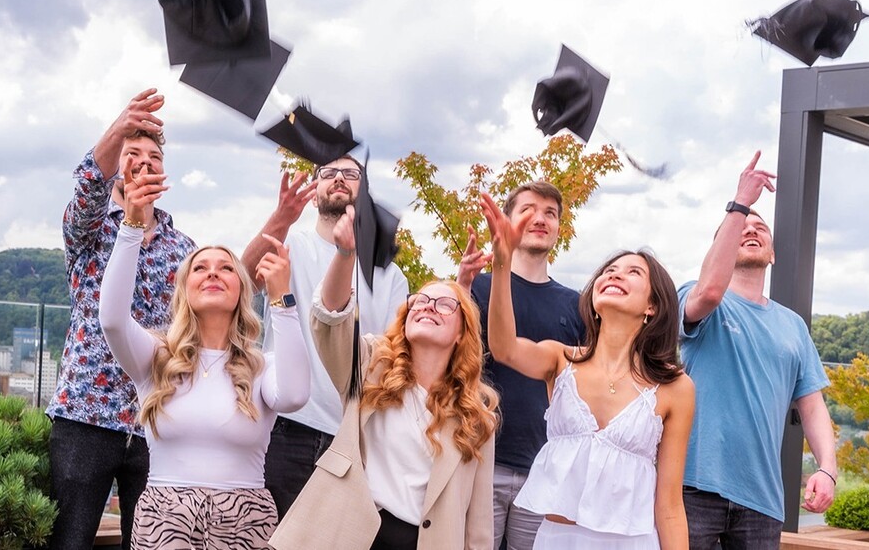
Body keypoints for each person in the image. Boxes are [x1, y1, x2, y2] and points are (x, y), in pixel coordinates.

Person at [99, 157, 310, 549]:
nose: (213, 272)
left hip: (246, 520)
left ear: (241, 291)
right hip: (165, 517)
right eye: (200, 267)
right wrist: (131, 226)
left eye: (226, 268)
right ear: (184, 290)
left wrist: (283, 298)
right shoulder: (155, 358)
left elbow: (296, 395)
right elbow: (112, 320)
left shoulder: (260, 366)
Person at [269, 205, 498, 550]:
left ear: (461, 334)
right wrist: (346, 253)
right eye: (419, 302)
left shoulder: (477, 416)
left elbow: (478, 525)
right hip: (345, 533)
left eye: (444, 305)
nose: (427, 307)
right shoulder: (370, 365)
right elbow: (331, 317)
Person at [482, 193, 695, 549]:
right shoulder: (561, 360)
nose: (615, 275)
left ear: (652, 306)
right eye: (609, 271)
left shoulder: (675, 388)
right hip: (555, 539)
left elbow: (670, 505)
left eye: (633, 272)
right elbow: (503, 347)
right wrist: (502, 264)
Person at [47, 88, 197, 550]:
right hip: (85, 414)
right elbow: (88, 185)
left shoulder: (182, 247)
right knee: (68, 540)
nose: (144, 162)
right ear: (117, 163)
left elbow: (214, 306)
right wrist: (118, 127)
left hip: (156, 420)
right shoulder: (90, 227)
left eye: (153, 155)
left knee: (153, 542)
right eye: (132, 154)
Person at [679, 151, 836, 549]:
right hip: (690, 487)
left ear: (773, 254)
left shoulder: (793, 326)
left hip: (762, 500)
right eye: (739, 227)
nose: (751, 228)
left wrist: (828, 470)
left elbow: (812, 406)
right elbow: (709, 292)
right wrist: (740, 203)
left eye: (759, 227)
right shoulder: (695, 297)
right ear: (721, 246)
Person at [241, 156, 409, 517]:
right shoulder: (290, 246)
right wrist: (281, 218)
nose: (339, 179)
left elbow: (395, 355)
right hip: (284, 428)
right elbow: (242, 283)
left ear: (364, 194)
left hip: (352, 438)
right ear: (314, 193)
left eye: (351, 174)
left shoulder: (391, 276)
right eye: (328, 173)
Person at [458, 182, 585, 550]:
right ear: (508, 221)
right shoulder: (479, 287)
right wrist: (462, 284)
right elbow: (449, 354)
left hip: (542, 470)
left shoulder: (574, 305)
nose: (540, 219)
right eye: (528, 210)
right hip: (480, 459)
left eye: (551, 213)